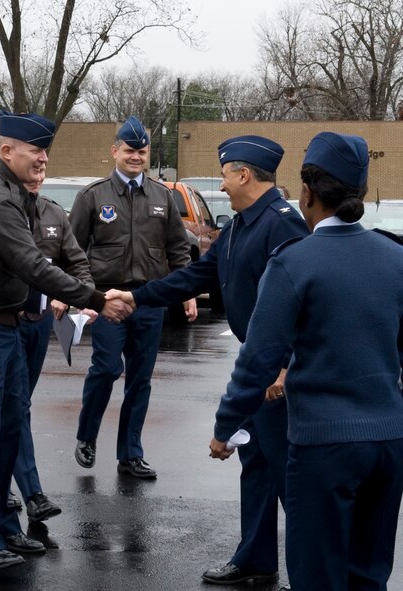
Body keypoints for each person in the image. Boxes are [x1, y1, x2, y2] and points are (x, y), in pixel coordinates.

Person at [209, 131, 403, 590]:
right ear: (363, 194)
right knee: (369, 575)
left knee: (318, 575)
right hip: (388, 441)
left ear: (307, 193)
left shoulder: (295, 262)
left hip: (323, 445)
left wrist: (225, 426)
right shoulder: (398, 260)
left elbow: (258, 358)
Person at [106, 135, 309, 585]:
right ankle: (255, 558)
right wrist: (136, 297)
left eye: (224, 174)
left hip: (278, 372)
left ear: (244, 175)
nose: (221, 183)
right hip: (257, 363)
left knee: (290, 475)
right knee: (255, 461)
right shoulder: (240, 225)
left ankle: (309, 572)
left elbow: (305, 300)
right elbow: (197, 275)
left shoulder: (283, 224)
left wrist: (286, 365)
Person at [0, 110, 131, 573]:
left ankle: (3, 525)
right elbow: (33, 265)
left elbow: (44, 260)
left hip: (1, 325)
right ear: (7, 150)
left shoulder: (10, 190)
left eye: (46, 151)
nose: (43, 159)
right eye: (35, 150)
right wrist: (96, 299)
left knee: (7, 429)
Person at [69, 116, 194, 479]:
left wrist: (184, 292)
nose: (135, 157)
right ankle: (87, 437)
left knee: (140, 379)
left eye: (141, 151)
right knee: (107, 369)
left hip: (148, 300)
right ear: (115, 151)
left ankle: (130, 454)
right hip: (108, 301)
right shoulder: (93, 196)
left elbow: (178, 250)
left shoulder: (163, 196)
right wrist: (82, 297)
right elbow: (73, 251)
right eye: (129, 150)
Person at [11, 179, 98, 524]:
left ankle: (1, 478)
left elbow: (77, 264)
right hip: (3, 323)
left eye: (43, 163)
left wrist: (75, 294)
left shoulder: (53, 214)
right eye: (31, 160)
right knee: (16, 405)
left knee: (20, 405)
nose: (37, 171)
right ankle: (32, 494)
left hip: (38, 323)